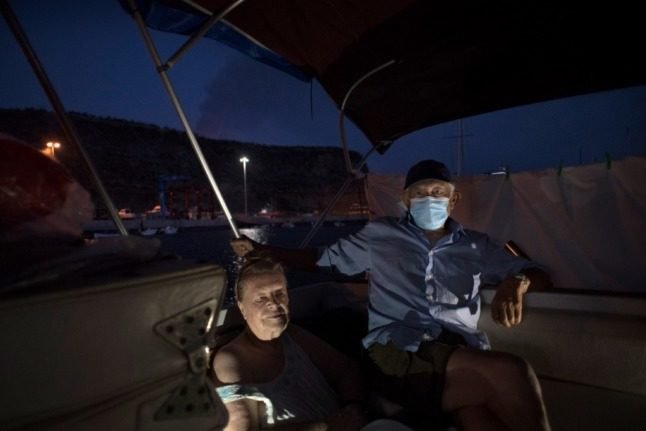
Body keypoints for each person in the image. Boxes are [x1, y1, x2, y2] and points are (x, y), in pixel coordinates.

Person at [230, 160, 552, 431]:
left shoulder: (475, 245)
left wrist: (516, 283)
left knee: (479, 418)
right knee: (513, 372)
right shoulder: (381, 234)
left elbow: (536, 272)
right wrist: (264, 250)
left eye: (438, 192)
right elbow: (321, 259)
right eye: (420, 193)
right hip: (395, 351)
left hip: (458, 348)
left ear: (453, 200)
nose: (430, 199)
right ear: (406, 199)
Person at [211, 256, 412, 431]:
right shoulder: (231, 361)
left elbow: (346, 370)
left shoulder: (293, 337)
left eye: (279, 293)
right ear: (242, 308)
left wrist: (354, 407)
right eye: (261, 298)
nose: (274, 303)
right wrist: (327, 427)